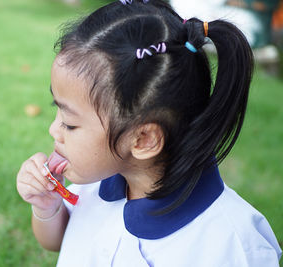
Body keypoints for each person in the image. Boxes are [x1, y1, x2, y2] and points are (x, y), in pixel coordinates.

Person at [16, 0, 282, 266]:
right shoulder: (99, 184)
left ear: (143, 140)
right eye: (57, 110)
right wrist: (47, 208)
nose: (54, 129)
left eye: (70, 124)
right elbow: (59, 241)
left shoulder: (233, 246)